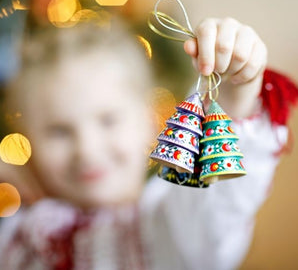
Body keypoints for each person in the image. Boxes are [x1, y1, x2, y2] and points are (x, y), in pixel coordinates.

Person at [0, 18, 296, 270]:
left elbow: (215, 207)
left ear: (148, 122)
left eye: (108, 120)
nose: (87, 150)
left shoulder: (170, 223)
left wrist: (235, 92)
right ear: (29, 138)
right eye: (59, 131)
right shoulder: (18, 232)